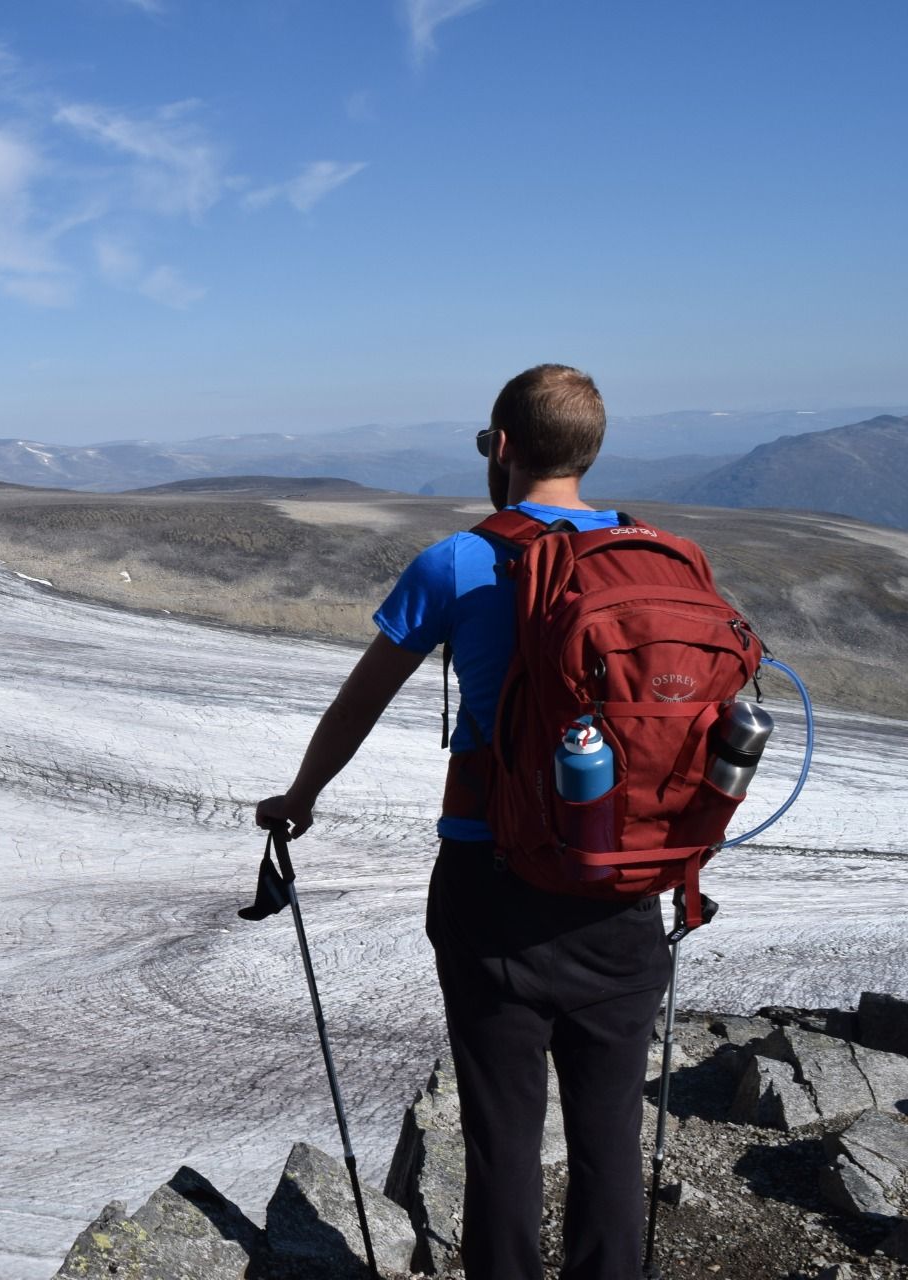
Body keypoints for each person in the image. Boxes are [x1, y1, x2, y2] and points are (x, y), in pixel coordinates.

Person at [255, 364, 672, 1280]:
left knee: (503, 1140)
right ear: (592, 450)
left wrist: (300, 798)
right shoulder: (659, 560)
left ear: (505, 447)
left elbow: (356, 705)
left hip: (494, 889)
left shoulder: (457, 562)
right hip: (625, 889)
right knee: (610, 1144)